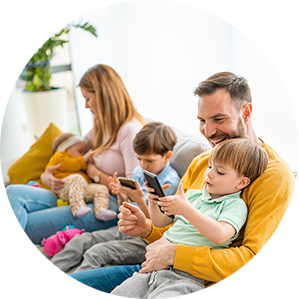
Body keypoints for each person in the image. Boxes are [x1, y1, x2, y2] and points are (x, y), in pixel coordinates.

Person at [31, 72, 298, 299]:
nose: (208, 132)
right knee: (47, 293)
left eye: (219, 119)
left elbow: (253, 265)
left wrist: (174, 254)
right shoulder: (203, 162)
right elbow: (178, 232)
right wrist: (146, 229)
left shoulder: (273, 175)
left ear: (246, 112)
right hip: (158, 269)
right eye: (202, 121)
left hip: (206, 287)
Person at [0, 64, 146, 292]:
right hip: (77, 193)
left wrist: (94, 173)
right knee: (12, 192)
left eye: (88, 98)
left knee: (21, 229)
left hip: (104, 206)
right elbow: (70, 153)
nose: (86, 105)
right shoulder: (100, 128)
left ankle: (26, 295)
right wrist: (47, 176)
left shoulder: (129, 130)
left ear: (104, 94)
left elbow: (131, 188)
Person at [12, 122, 180, 299]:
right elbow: (128, 207)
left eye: (149, 160)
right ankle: (33, 288)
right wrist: (122, 195)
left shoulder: (171, 183)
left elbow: (157, 227)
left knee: (97, 252)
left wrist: (139, 199)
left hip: (147, 239)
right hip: (127, 228)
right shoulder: (140, 171)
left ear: (167, 156)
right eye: (139, 159)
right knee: (80, 240)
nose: (143, 165)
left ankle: (61, 290)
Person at [106, 138, 268, 298]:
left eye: (220, 172)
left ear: (242, 182)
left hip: (185, 277)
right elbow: (160, 222)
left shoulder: (235, 206)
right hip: (153, 267)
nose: (209, 174)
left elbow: (220, 235)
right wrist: (154, 202)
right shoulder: (192, 195)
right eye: (210, 166)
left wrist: (186, 210)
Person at [46, 132, 117, 220]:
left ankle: (101, 210)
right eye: (80, 151)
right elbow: (68, 165)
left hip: (81, 190)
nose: (82, 155)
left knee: (101, 188)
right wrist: (83, 159)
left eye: (83, 153)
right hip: (64, 188)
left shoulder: (80, 164)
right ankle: (77, 207)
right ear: (66, 149)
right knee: (77, 178)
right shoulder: (59, 156)